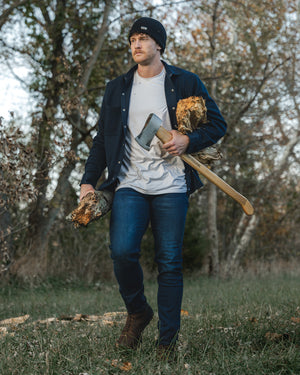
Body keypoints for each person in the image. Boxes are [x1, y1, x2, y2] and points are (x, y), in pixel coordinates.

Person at [80, 17, 227, 354]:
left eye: (143, 38)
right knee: (122, 251)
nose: (136, 44)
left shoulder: (184, 81)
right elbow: (103, 140)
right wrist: (89, 181)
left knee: (170, 263)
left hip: (172, 185)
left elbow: (218, 124)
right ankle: (138, 311)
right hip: (130, 182)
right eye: (132, 38)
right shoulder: (116, 88)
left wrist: (188, 139)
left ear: (158, 45)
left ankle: (167, 342)